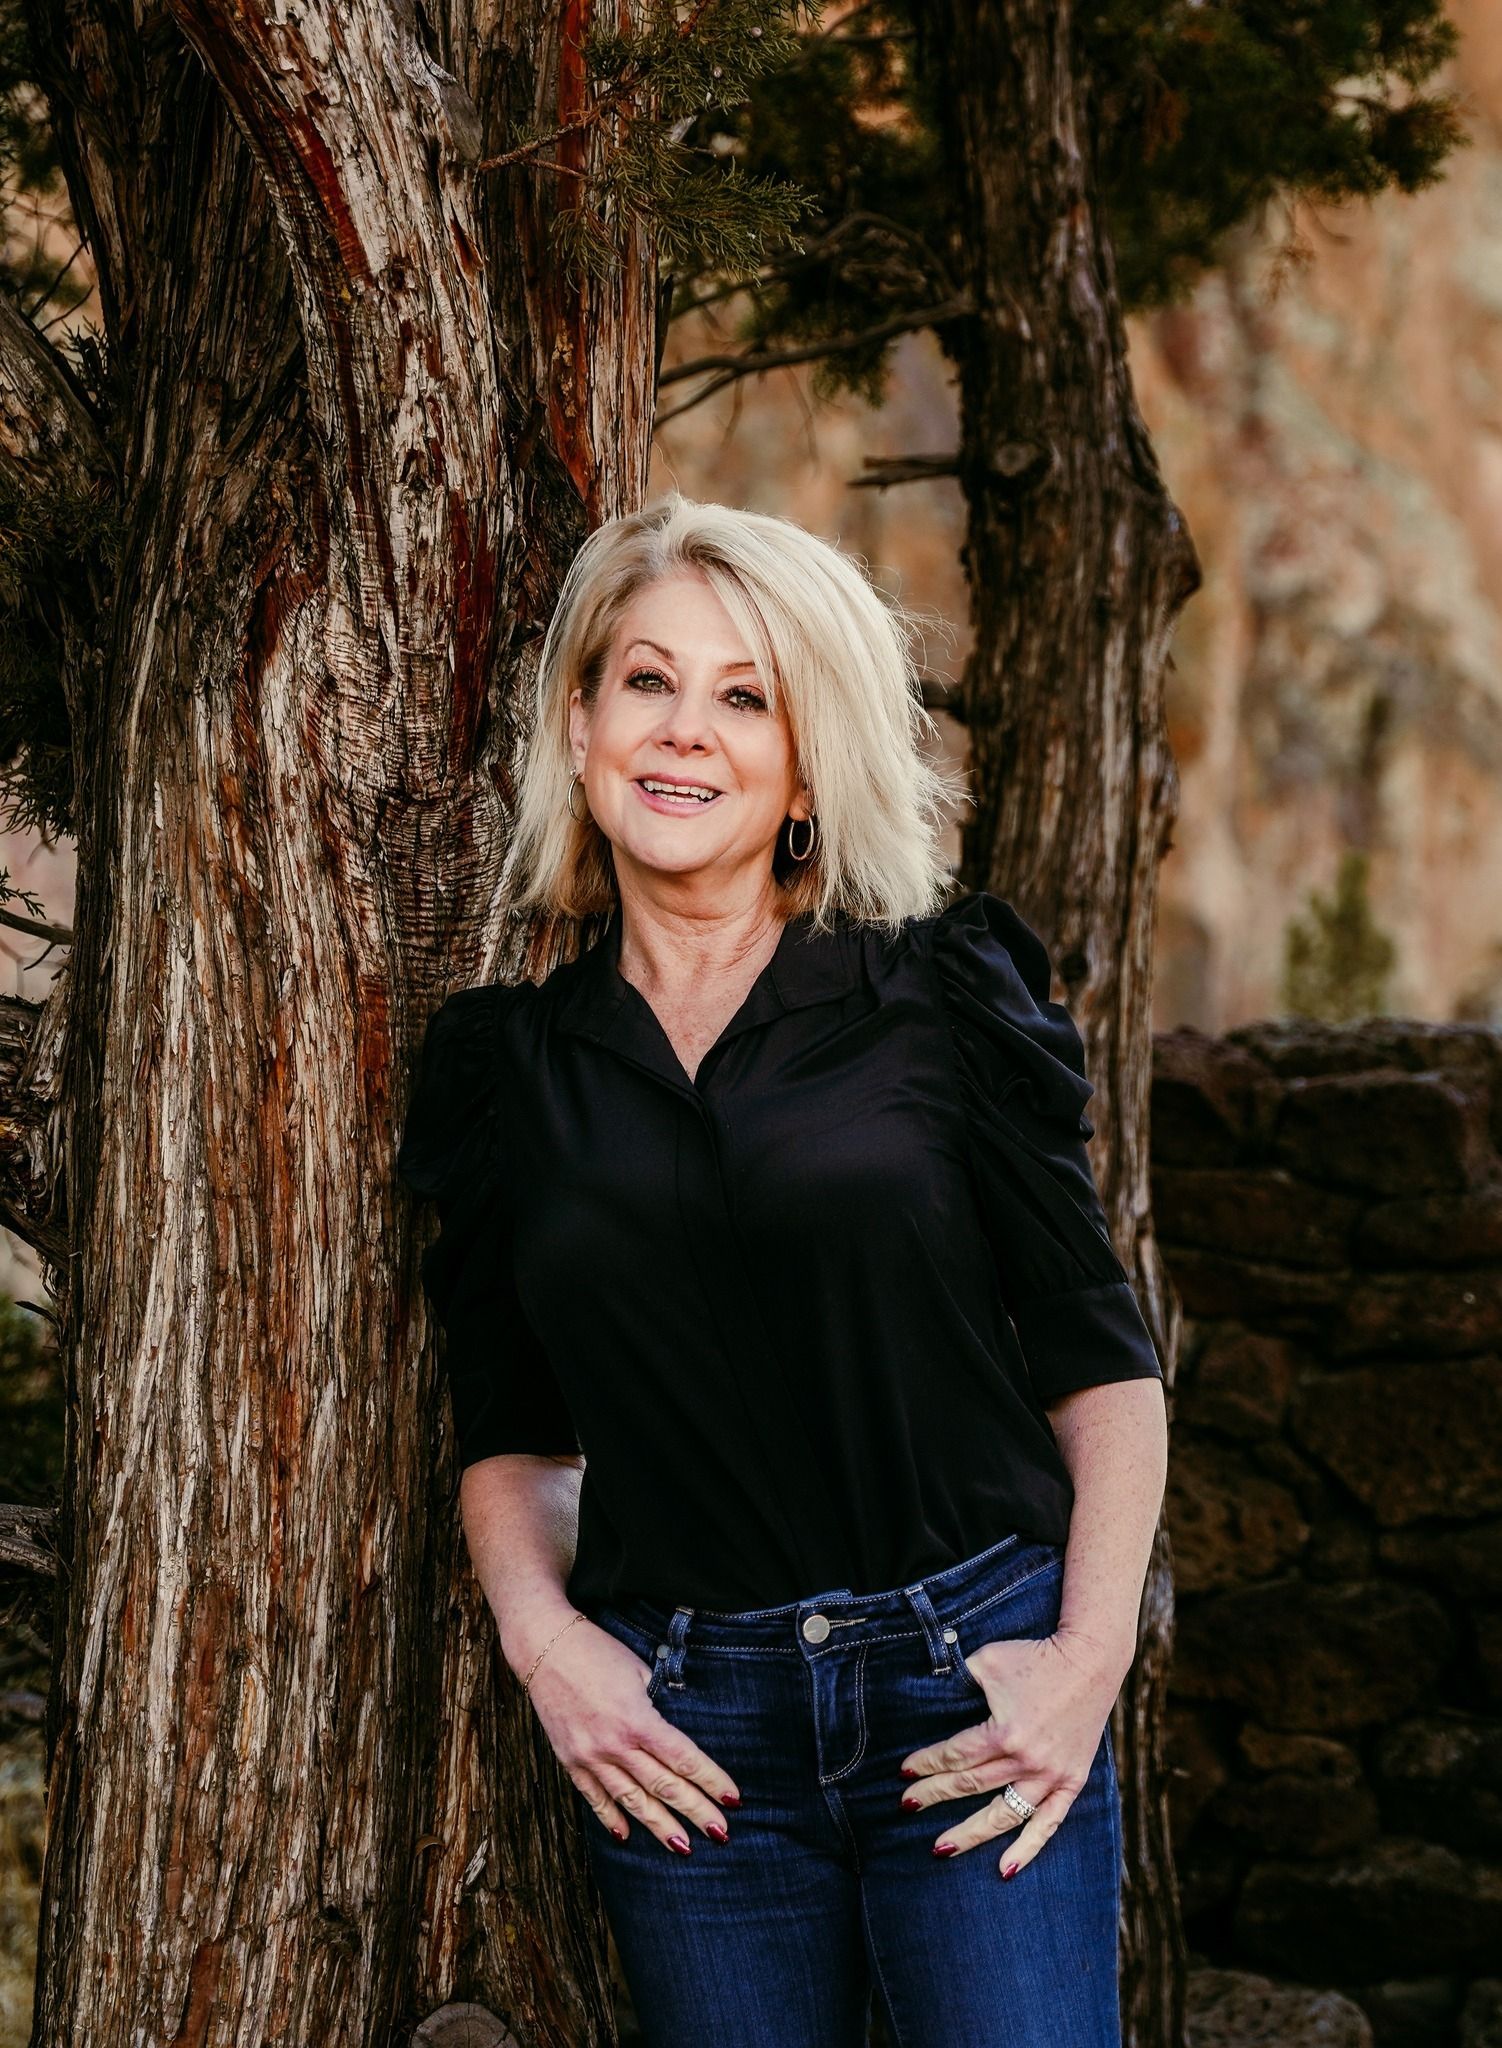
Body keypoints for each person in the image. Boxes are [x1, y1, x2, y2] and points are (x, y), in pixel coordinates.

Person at [396, 493, 1168, 2048]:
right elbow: (514, 1429)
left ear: (807, 764)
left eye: (745, 697)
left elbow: (1098, 1359)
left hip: (971, 1690)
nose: (684, 730)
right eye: (647, 680)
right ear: (580, 722)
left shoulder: (936, 998)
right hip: (691, 1742)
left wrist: (1084, 1664)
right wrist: (553, 1655)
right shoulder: (506, 1072)